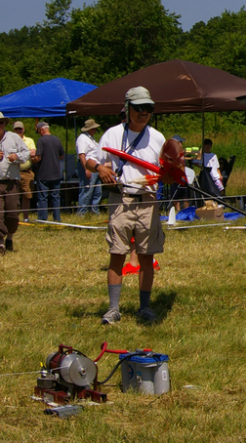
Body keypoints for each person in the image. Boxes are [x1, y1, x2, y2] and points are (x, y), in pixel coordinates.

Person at [84, 86, 166, 324]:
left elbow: (165, 167)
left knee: (146, 256)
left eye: (148, 108)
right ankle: (112, 309)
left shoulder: (158, 137)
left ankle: (145, 307)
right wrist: (100, 168)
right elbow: (91, 161)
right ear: (128, 108)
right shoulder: (111, 134)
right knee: (117, 254)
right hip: (121, 199)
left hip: (148, 201)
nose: (144, 113)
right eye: (139, 108)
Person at [0, 112, 30, 254]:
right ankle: (0, 244)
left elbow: (27, 153)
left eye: (1, 123)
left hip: (12, 181)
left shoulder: (14, 138)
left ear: (5, 124)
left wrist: (16, 156)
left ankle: (10, 237)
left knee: (12, 214)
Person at [32, 121, 65, 222]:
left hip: (43, 174)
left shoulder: (41, 141)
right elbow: (61, 156)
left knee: (43, 198)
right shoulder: (57, 140)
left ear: (41, 129)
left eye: (38, 131)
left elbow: (38, 158)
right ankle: (57, 218)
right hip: (56, 173)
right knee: (56, 197)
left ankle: (43, 219)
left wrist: (31, 158)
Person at [75, 119, 103, 216]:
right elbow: (82, 155)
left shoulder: (91, 139)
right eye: (94, 128)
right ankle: (81, 213)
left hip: (95, 167)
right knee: (87, 190)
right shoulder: (82, 139)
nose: (95, 130)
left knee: (97, 191)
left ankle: (94, 211)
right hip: (88, 166)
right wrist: (86, 168)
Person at [12, 121, 36, 223]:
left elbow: (33, 153)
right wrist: (26, 153)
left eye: (20, 129)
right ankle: (14, 218)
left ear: (23, 129)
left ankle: (25, 218)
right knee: (14, 196)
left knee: (27, 195)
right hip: (13, 172)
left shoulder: (29, 140)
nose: (18, 131)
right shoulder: (10, 141)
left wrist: (18, 154)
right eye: (16, 129)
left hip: (26, 172)